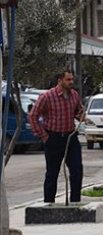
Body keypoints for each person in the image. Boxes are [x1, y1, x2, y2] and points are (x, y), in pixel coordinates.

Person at [29, 70, 85, 203]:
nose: (71, 82)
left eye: (72, 79)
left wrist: (81, 115)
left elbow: (78, 111)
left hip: (71, 137)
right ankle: (49, 204)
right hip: (53, 138)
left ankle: (75, 203)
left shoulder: (74, 95)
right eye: (68, 80)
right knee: (52, 173)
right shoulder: (47, 97)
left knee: (77, 170)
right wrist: (44, 136)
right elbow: (33, 116)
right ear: (60, 81)